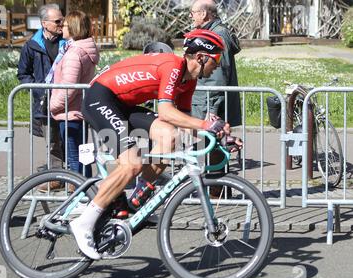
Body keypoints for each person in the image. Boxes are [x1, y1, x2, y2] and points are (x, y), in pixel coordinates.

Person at [70, 29, 242, 260]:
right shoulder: (172, 66)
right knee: (131, 163)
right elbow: (165, 111)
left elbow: (186, 128)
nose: (218, 66)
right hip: (100, 98)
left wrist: (220, 135)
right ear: (201, 57)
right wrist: (204, 124)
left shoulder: (188, 82)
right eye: (217, 59)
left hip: (122, 106)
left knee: (171, 137)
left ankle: (137, 201)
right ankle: (84, 223)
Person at [17, 3, 65, 190]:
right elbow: (23, 73)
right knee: (52, 142)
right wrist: (40, 91)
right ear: (45, 23)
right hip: (45, 103)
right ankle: (56, 178)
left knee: (71, 138)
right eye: (57, 21)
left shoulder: (67, 42)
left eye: (62, 19)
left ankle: (74, 178)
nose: (62, 23)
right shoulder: (32, 45)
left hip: (68, 100)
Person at [49, 11, 99, 181]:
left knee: (74, 161)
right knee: (83, 158)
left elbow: (68, 88)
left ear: (73, 27)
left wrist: (53, 106)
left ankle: (81, 197)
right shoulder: (83, 49)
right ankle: (87, 193)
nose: (61, 27)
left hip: (70, 113)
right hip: (79, 111)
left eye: (64, 25)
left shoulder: (74, 53)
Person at [189, 0, 241, 126]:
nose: (190, 16)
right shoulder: (210, 33)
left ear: (203, 14)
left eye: (192, 13)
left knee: (205, 144)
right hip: (203, 102)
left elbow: (217, 76)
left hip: (207, 106)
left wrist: (212, 110)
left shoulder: (216, 36)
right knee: (205, 144)